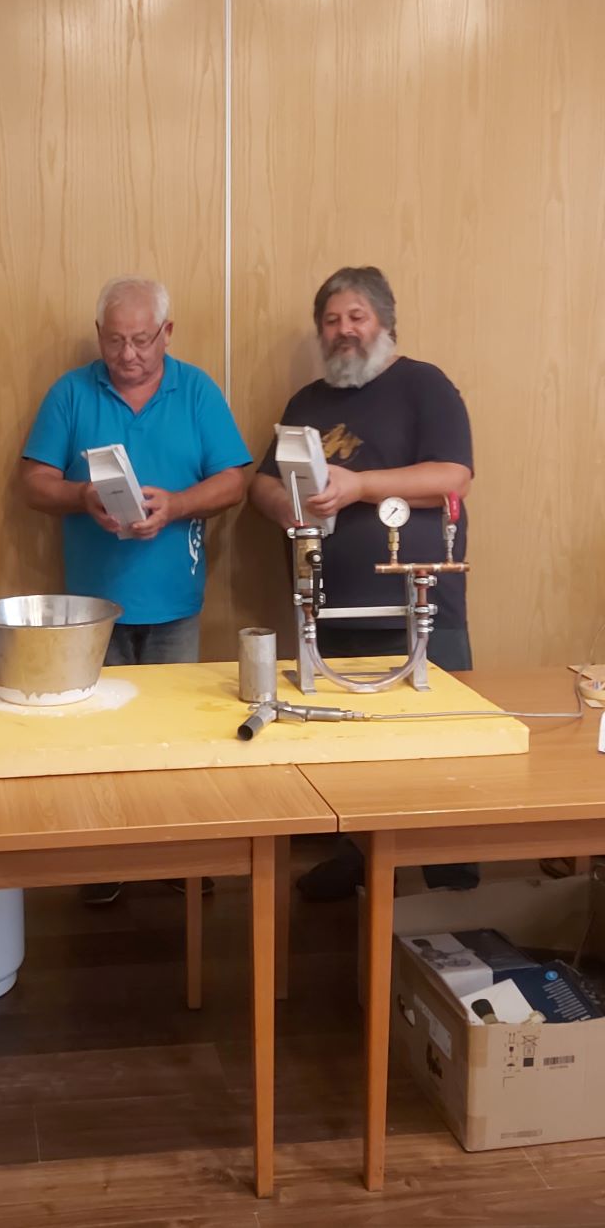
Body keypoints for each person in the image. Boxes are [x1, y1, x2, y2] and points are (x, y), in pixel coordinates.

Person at [19, 276, 251, 903]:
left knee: (173, 734)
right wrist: (81, 496)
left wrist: (177, 505)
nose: (128, 354)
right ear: (99, 335)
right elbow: (32, 482)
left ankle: (175, 855)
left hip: (175, 600)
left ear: (167, 333)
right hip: (93, 609)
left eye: (143, 340)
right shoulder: (71, 392)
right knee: (97, 737)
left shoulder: (196, 389)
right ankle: (104, 860)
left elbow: (233, 481)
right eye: (116, 341)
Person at [250, 265, 477, 899]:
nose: (343, 330)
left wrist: (359, 486)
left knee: (439, 746)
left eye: (356, 317)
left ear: (384, 322)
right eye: (331, 320)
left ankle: (452, 883)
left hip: (419, 608)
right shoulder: (306, 402)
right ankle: (361, 858)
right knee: (351, 750)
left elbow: (453, 476)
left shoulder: (425, 385)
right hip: (326, 609)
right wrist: (281, 504)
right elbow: (262, 483)